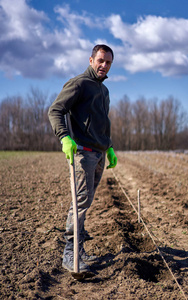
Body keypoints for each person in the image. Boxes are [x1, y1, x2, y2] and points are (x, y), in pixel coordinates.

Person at [48, 44, 117, 274]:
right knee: (79, 203)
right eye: (100, 60)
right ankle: (70, 253)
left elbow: (102, 123)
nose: (103, 65)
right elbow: (55, 110)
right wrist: (65, 138)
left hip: (98, 154)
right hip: (83, 153)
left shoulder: (104, 91)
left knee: (85, 203)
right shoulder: (79, 83)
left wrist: (109, 147)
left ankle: (79, 249)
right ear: (90, 60)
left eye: (108, 62)